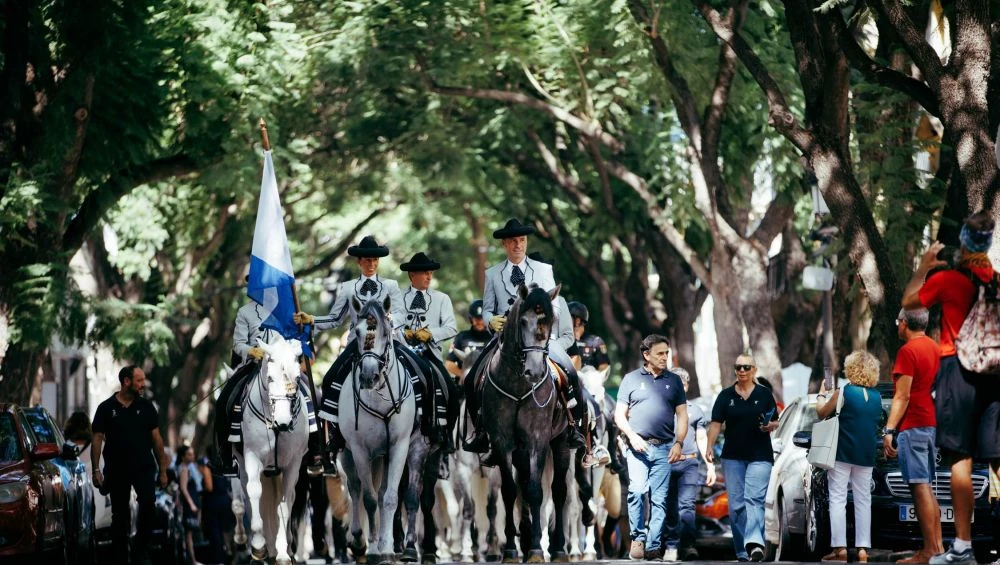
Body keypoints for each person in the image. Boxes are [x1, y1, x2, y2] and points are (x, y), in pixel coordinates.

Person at [902, 211, 1000, 565]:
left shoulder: (949, 279)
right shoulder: (998, 281)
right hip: (995, 374)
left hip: (957, 369)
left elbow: (909, 301)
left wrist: (924, 266)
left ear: (962, 241)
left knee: (962, 457)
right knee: (998, 458)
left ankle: (962, 546)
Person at [292, 235, 440, 466]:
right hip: (358, 343)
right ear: (359, 262)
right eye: (367, 260)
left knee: (424, 370)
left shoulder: (390, 285)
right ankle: (336, 435)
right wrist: (311, 319)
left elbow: (402, 313)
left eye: (375, 260)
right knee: (331, 378)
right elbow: (335, 318)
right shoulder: (347, 287)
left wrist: (390, 318)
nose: (372, 264)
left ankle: (426, 425)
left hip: (386, 340)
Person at [463, 219, 588, 457]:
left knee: (570, 373)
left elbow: (557, 308)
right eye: (513, 241)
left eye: (521, 240)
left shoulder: (543, 270)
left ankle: (574, 427)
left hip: (539, 339)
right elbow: (488, 307)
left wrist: (542, 321)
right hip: (505, 340)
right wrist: (490, 320)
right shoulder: (492, 274)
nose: (518, 245)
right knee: (471, 379)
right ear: (504, 244)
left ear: (526, 242)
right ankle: (481, 432)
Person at [217, 287, 323, 477]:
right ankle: (225, 456)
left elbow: (303, 344)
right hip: (254, 366)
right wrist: (251, 351)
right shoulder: (245, 312)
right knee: (225, 397)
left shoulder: (290, 312)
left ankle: (317, 450)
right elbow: (238, 344)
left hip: (285, 369)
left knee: (315, 394)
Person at [614, 334, 688, 561]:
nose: (665, 357)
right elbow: (619, 415)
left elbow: (683, 416)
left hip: (665, 448)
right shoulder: (630, 379)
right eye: (660, 353)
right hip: (638, 448)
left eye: (667, 353)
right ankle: (638, 537)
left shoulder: (674, 381)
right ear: (646, 355)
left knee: (660, 499)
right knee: (636, 491)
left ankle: (654, 546)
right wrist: (631, 436)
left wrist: (678, 443)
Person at [91, 365, 170, 565]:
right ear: (126, 382)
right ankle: (120, 556)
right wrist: (96, 470)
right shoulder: (106, 408)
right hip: (117, 470)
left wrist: (163, 471)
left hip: (144, 468)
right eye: (139, 380)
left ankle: (140, 548)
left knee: (148, 506)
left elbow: (157, 440)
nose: (143, 384)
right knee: (120, 515)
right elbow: (97, 439)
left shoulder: (146, 407)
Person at [884, 308, 944, 563]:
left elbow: (902, 395)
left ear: (905, 323)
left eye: (898, 321)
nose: (898, 326)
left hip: (913, 424)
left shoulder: (908, 351)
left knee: (919, 487)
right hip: (931, 423)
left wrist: (889, 430)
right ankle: (937, 548)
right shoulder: (935, 348)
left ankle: (930, 550)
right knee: (927, 488)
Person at [706, 354, 778, 562]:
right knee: (736, 504)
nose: (742, 371)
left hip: (760, 456)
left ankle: (755, 544)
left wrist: (769, 426)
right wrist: (710, 446)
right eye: (738, 367)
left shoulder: (764, 395)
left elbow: (775, 421)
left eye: (746, 367)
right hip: (733, 457)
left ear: (754, 370)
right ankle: (742, 550)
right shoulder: (725, 396)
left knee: (753, 499)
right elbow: (716, 423)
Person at [815, 350, 883, 563]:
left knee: (837, 498)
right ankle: (863, 548)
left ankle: (840, 548)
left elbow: (821, 412)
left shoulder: (844, 391)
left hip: (842, 452)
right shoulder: (877, 396)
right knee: (864, 499)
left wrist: (821, 394)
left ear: (851, 369)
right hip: (866, 454)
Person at [399, 251, 460, 468]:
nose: (428, 276)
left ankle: (447, 437)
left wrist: (431, 333)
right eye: (424, 272)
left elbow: (452, 327)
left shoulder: (442, 299)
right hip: (403, 355)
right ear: (411, 275)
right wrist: (403, 333)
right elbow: (392, 323)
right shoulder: (398, 298)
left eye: (430, 272)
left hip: (430, 355)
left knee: (452, 393)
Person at [664, 367, 715, 562]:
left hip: (690, 463)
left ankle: (687, 546)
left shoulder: (695, 411)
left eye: (679, 383)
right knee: (668, 505)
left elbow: (702, 438)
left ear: (685, 386)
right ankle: (670, 545)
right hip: (666, 463)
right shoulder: (662, 408)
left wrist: (710, 466)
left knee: (687, 506)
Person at [199, 447, 234, 565]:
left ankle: (219, 559)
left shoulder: (208, 466)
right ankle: (228, 553)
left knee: (215, 531)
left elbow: (209, 486)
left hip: (213, 502)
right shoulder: (222, 465)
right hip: (225, 500)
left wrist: (201, 490)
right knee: (225, 529)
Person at [445, 299, 491, 382]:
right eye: (477, 319)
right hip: (465, 386)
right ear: (471, 319)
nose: (480, 322)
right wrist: (465, 376)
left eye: (482, 319)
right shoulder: (462, 337)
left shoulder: (495, 338)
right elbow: (449, 364)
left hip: (489, 385)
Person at [176, 444, 204, 565]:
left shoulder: (188, 468)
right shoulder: (184, 469)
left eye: (192, 454)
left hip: (192, 502)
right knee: (189, 534)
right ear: (183, 456)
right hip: (189, 504)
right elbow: (183, 488)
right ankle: (192, 560)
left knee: (190, 534)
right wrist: (191, 504)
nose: (192, 456)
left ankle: (192, 559)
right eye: (189, 454)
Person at [568, 301, 610, 371]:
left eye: (568, 317)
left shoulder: (595, 341)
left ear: (577, 321)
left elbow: (604, 367)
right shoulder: (563, 340)